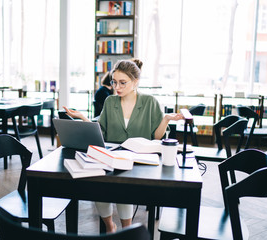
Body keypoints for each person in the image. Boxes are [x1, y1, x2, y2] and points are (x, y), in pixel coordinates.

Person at [64, 59, 183, 233]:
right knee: (99, 185)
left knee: (123, 187)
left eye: (122, 83)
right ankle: (109, 226)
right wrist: (83, 117)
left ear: (135, 82)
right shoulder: (110, 102)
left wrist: (165, 119)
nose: (117, 87)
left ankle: (126, 231)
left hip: (138, 161)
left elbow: (156, 137)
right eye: (114, 82)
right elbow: (100, 133)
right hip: (110, 158)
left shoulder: (150, 102)